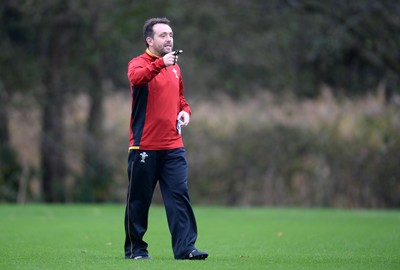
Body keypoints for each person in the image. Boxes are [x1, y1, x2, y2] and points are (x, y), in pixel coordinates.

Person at [123, 17, 208, 260]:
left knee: (179, 197)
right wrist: (160, 64)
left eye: (170, 34)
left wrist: (185, 112)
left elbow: (181, 97)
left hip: (173, 147)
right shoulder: (138, 64)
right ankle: (136, 250)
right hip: (144, 147)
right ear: (149, 40)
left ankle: (186, 249)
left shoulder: (175, 67)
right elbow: (136, 79)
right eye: (163, 35)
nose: (169, 38)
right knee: (139, 202)